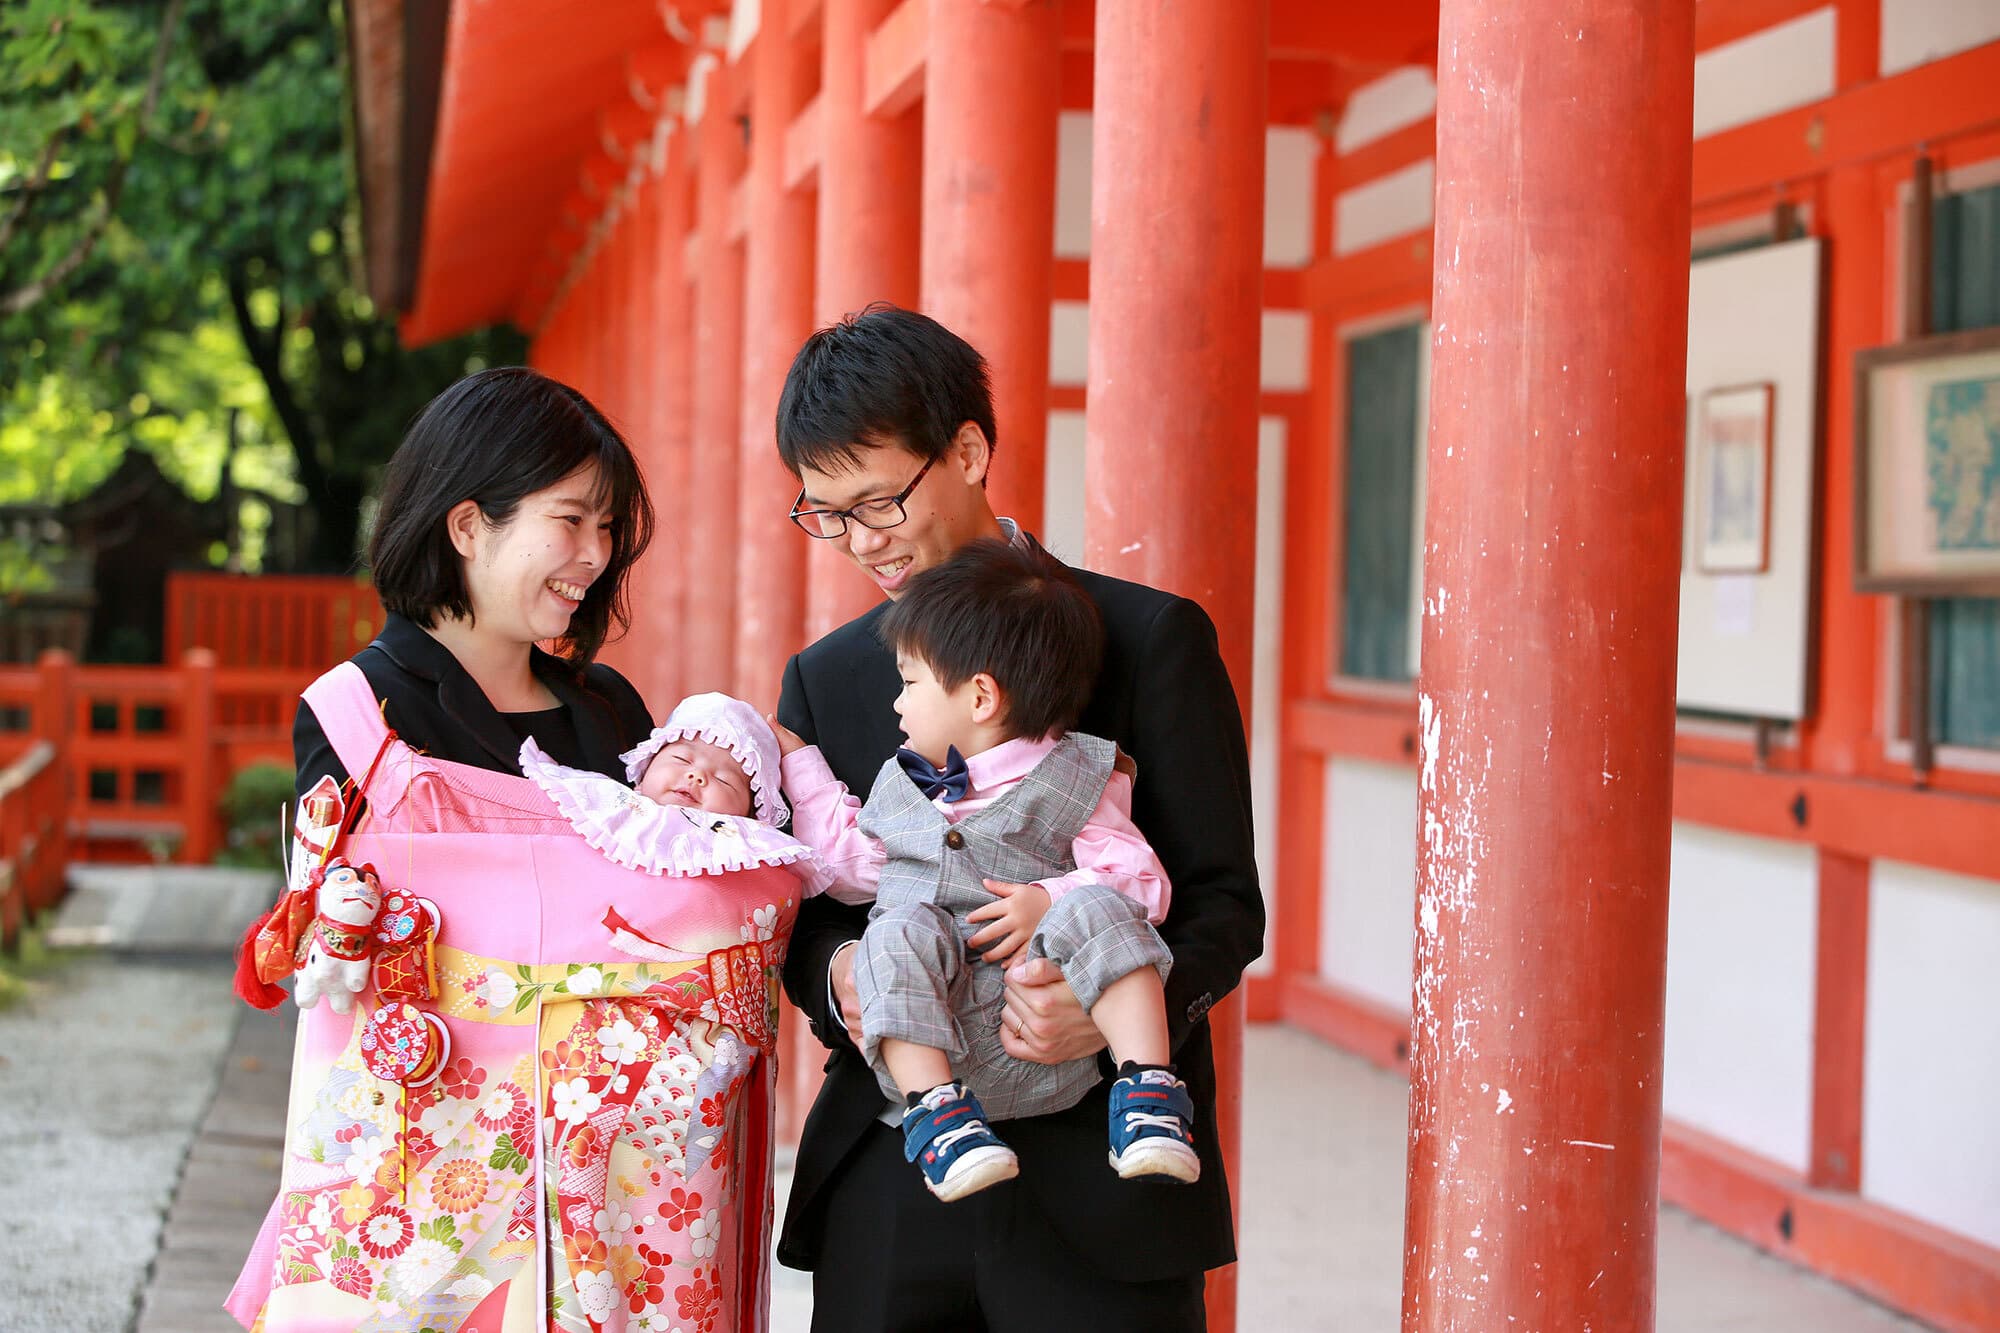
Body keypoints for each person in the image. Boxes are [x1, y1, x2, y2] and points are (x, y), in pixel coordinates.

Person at [228, 368, 790, 1333]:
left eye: (609, 528)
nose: (595, 554)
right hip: (423, 1174)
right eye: (570, 520)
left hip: (611, 1183)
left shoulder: (612, 715)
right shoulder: (359, 714)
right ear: (467, 524)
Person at [774, 306, 1264, 1331]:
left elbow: (1223, 902)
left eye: (878, 502)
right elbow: (804, 911)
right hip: (889, 1174)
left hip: (1102, 1185)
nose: (859, 541)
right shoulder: (826, 678)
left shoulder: (1146, 637)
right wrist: (838, 975)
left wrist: (1111, 1016)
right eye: (825, 513)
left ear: (966, 448)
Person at [777, 538, 1194, 1204]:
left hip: (1049, 1036)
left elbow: (1145, 882)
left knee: (1102, 907)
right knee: (895, 930)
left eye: (910, 682)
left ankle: (1147, 1091)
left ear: (979, 697)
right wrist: (797, 763)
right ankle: (939, 1117)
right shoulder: (906, 788)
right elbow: (846, 866)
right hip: (939, 1036)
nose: (897, 705)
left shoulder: (1076, 775)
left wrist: (1050, 899)